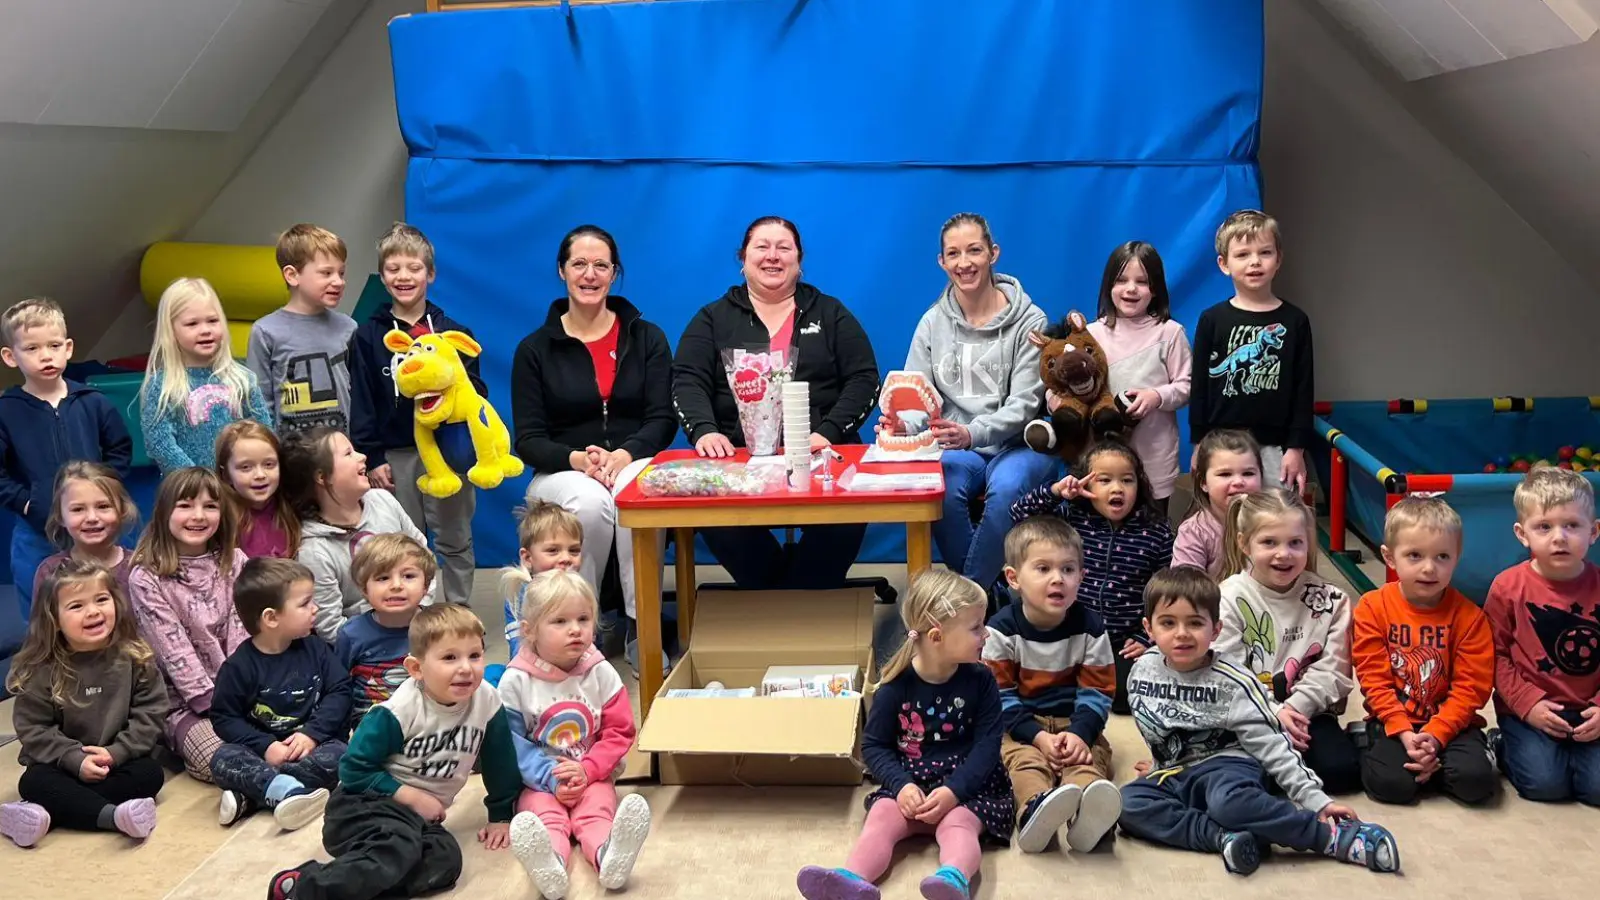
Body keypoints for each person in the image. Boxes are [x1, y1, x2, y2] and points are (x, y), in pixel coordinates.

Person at [1118, 566, 1400, 876]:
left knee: (1230, 805)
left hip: (1228, 765)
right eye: (1168, 623)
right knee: (1128, 804)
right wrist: (1161, 762)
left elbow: (1272, 745)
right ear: (1149, 628)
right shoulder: (1142, 669)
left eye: (1195, 623)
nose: (1182, 633)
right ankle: (1223, 837)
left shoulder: (1234, 681)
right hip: (1177, 770)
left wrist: (1316, 801)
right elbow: (1154, 722)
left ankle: (1333, 839)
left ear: (1215, 630)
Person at [672, 216, 880, 589]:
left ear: (798, 261)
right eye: (762, 247)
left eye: (783, 248)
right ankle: (773, 592)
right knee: (708, 506)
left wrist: (828, 432)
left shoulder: (830, 313)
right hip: (736, 456)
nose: (773, 256)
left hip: (821, 451)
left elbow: (864, 379)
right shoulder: (712, 318)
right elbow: (687, 379)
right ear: (743, 258)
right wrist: (703, 431)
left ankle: (805, 592)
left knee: (848, 510)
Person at [267, 604, 523, 900]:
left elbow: (500, 758)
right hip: (361, 806)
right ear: (417, 668)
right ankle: (301, 888)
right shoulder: (398, 711)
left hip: (415, 821)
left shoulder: (487, 700)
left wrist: (501, 814)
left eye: (475, 655)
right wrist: (413, 797)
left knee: (445, 860)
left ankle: (356, 888)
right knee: (398, 848)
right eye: (450, 657)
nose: (466, 667)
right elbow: (352, 770)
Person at [796, 569, 1010, 900]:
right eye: (976, 627)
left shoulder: (982, 681)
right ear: (937, 637)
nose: (987, 634)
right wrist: (902, 785)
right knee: (881, 817)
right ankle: (851, 880)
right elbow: (875, 746)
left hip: (969, 787)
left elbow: (987, 746)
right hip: (913, 784)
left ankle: (953, 880)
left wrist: (954, 792)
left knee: (959, 826)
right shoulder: (895, 688)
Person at [513, 225, 674, 638]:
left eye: (601, 265)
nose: (590, 274)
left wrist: (624, 455)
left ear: (614, 273)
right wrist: (579, 460)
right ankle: (581, 625)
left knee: (635, 496)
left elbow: (662, 419)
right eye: (579, 264)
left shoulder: (647, 338)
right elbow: (528, 440)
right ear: (562, 271)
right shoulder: (534, 349)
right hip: (562, 471)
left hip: (631, 461)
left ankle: (644, 627)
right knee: (589, 502)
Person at [888, 213, 1054, 593]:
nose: (965, 263)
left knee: (1008, 489)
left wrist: (972, 432)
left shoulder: (1031, 320)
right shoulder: (932, 323)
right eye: (954, 253)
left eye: (974, 250)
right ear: (941, 262)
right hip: (955, 446)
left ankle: (967, 596)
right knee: (939, 486)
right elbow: (917, 393)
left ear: (993, 253)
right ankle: (987, 596)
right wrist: (905, 424)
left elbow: (1026, 404)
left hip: (1016, 444)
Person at [348, 223, 481, 605]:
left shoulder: (455, 333)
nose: (403, 276)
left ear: (431, 273)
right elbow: (363, 400)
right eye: (393, 268)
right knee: (403, 545)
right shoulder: (368, 336)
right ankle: (411, 617)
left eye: (413, 267)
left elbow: (476, 396)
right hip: (396, 457)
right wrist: (372, 457)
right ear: (382, 275)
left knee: (455, 538)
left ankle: (458, 611)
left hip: (447, 455)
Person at [501, 571, 652, 898]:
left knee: (597, 813)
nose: (575, 629)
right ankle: (550, 864)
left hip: (591, 774)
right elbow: (511, 743)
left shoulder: (601, 673)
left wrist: (588, 770)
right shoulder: (515, 681)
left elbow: (619, 730)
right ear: (529, 631)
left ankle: (608, 855)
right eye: (560, 621)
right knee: (544, 818)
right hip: (539, 780)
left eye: (584, 619)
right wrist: (549, 778)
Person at [0, 561, 166, 847]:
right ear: (54, 619)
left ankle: (46, 812)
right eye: (76, 606)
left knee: (151, 774)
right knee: (35, 782)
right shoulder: (40, 667)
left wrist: (117, 752)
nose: (93, 612)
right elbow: (34, 729)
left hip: (115, 762)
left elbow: (151, 713)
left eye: (101, 600)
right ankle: (113, 817)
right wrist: (74, 759)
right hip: (59, 765)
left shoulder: (135, 657)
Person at [981, 516, 1119, 854]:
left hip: (1075, 720)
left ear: (1081, 577)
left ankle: (1088, 813)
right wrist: (1037, 736)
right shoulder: (1000, 630)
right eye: (1043, 569)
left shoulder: (1091, 627)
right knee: (1021, 761)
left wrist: (1081, 734)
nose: (1058, 579)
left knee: (1088, 760)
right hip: (1020, 724)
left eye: (1068, 570)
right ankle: (1034, 808)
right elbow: (998, 697)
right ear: (1013, 578)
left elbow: (1098, 691)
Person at [1352, 497, 1497, 806]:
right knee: (1391, 786)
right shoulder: (1372, 608)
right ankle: (1384, 750)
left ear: (1457, 558)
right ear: (1390, 558)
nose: (1429, 568)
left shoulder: (1471, 617)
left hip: (1452, 725)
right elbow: (1373, 679)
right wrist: (1404, 731)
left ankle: (1432, 766)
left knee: (1476, 784)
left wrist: (1436, 736)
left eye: (1442, 556)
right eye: (1414, 555)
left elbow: (1472, 688)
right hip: (1393, 721)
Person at [1214, 489, 1360, 794]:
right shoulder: (1226, 597)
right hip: (1248, 715)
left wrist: (1294, 710)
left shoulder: (1333, 600)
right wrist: (1272, 714)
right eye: (1269, 542)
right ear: (1244, 543)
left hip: (1306, 712)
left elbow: (1334, 670)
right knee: (1249, 779)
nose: (1284, 553)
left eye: (1295, 543)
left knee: (1342, 773)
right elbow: (1226, 672)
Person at [1011, 439, 1173, 712]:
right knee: (1037, 689)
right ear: (1086, 485)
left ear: (1139, 485)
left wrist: (1148, 636)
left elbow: (1167, 589)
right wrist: (1057, 492)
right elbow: (1020, 514)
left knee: (1123, 700)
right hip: (1068, 632)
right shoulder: (1071, 517)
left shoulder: (1156, 530)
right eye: (1105, 480)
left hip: (1121, 640)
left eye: (1127, 480)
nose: (1117, 488)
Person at [0, 297, 132, 618]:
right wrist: (27, 503)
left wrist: (105, 494)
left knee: (107, 606)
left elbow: (119, 449)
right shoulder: (6, 410)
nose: (46, 355)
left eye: (54, 345)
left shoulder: (93, 401)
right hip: (37, 532)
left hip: (94, 528)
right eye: (31, 349)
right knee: (42, 616)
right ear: (10, 356)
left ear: (69, 348)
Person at [1485, 467, 1600, 805]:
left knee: (1596, 791)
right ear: (1523, 534)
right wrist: (1527, 704)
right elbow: (1494, 654)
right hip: (1530, 711)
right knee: (1545, 786)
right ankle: (1501, 743)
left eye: (1572, 525)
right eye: (1544, 527)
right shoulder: (1507, 587)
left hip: (1590, 711)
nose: (1559, 537)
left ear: (1593, 532)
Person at [127, 467, 250, 783]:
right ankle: (264, 783)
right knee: (223, 757)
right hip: (188, 704)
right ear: (165, 511)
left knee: (286, 734)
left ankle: (265, 781)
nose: (199, 515)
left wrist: (248, 697)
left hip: (245, 693)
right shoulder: (147, 576)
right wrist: (221, 710)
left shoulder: (235, 561)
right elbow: (173, 651)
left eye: (210, 506)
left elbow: (242, 631)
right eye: (185, 505)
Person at [210, 557, 351, 830]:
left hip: (315, 746)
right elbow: (224, 717)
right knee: (223, 759)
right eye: (305, 603)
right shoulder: (239, 667)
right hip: (264, 752)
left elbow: (340, 690)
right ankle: (287, 791)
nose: (315, 608)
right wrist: (265, 745)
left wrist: (313, 733)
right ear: (271, 618)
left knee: (343, 756)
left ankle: (255, 795)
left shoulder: (316, 648)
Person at [1188, 210, 1314, 494]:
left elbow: (1303, 389)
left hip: (1276, 446)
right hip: (1222, 445)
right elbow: (1200, 387)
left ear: (1278, 259)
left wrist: (1296, 448)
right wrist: (1199, 443)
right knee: (1226, 524)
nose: (1255, 261)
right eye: (1243, 254)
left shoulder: (1295, 321)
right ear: (1224, 264)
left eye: (1265, 252)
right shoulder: (1212, 319)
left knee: (1274, 522)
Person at [281, 426, 434, 642]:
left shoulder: (384, 501)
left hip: (418, 629)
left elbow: (426, 559)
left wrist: (419, 613)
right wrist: (384, 636)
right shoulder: (314, 550)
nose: (362, 456)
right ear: (322, 477)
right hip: (368, 654)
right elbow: (331, 627)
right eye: (348, 453)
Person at [1084, 241, 1192, 516]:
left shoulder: (1170, 333)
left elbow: (1186, 385)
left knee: (1152, 530)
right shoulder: (1090, 334)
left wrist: (1157, 396)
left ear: (1155, 289)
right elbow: (1064, 384)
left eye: (1142, 282)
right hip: (1102, 459)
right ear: (1108, 285)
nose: (1131, 289)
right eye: (1121, 280)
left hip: (1154, 458)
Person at [139, 277, 273, 473]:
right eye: (192, 324)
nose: (205, 330)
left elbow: (263, 432)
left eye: (212, 321)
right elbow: (159, 443)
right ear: (171, 330)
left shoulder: (242, 379)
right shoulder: (162, 385)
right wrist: (198, 482)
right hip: (191, 494)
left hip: (240, 489)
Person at [246, 224, 358, 436]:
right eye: (326, 273)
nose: (339, 282)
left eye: (341, 273)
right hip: (290, 455)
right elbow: (259, 403)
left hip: (343, 452)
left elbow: (359, 394)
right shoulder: (265, 331)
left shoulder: (348, 327)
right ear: (292, 275)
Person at [336, 534, 436, 728]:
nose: (396, 585)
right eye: (383, 578)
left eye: (408, 576)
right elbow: (339, 687)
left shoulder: (439, 628)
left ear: (425, 586)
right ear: (364, 589)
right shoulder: (351, 634)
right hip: (370, 725)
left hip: (426, 721)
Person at [33, 461, 139, 598]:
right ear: (60, 517)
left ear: (122, 511)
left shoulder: (139, 567)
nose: (92, 518)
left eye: (103, 506)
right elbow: (43, 619)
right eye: (78, 509)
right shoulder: (49, 572)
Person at [1172, 429, 1262, 578]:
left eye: (1248, 473)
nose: (1239, 482)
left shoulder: (1273, 521)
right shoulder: (1194, 532)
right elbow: (1186, 590)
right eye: (1225, 474)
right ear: (1203, 483)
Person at [501, 502, 583, 658]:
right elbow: (519, 651)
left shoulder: (579, 590)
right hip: (533, 671)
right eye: (553, 551)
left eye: (574, 550)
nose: (566, 558)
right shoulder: (520, 596)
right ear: (527, 557)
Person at [216, 420, 300, 559]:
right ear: (226, 475)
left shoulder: (292, 508)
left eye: (269, 464)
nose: (260, 475)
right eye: (246, 467)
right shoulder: (221, 520)